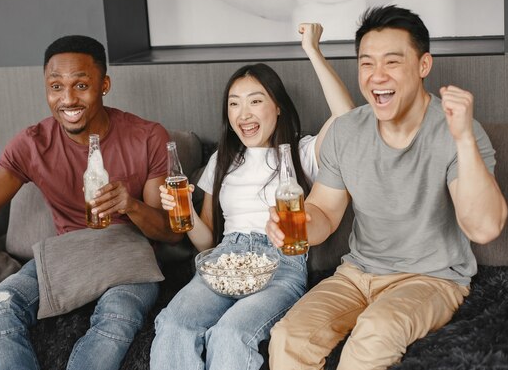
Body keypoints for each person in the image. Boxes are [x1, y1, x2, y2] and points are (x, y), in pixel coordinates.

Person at [265, 5, 508, 370]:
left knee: (374, 334)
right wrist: (294, 226)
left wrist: (464, 142)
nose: (377, 76)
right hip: (356, 274)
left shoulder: (457, 130)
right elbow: (325, 214)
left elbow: (484, 228)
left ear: (423, 65)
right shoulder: (347, 131)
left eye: (392, 62)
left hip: (431, 279)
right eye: (366, 63)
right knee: (287, 339)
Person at [0, 35, 181, 370]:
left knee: (119, 316)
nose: (68, 98)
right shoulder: (32, 143)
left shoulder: (148, 136)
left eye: (81, 85)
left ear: (104, 85)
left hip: (128, 257)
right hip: (67, 256)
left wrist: (130, 205)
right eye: (56, 86)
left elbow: (171, 233)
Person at [149, 23, 355, 370]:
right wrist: (185, 215)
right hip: (223, 262)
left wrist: (313, 51)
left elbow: (348, 120)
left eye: (255, 101)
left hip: (279, 266)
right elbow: (206, 244)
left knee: (230, 334)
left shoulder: (303, 153)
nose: (243, 113)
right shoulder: (222, 160)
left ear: (278, 108)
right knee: (172, 324)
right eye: (234, 104)